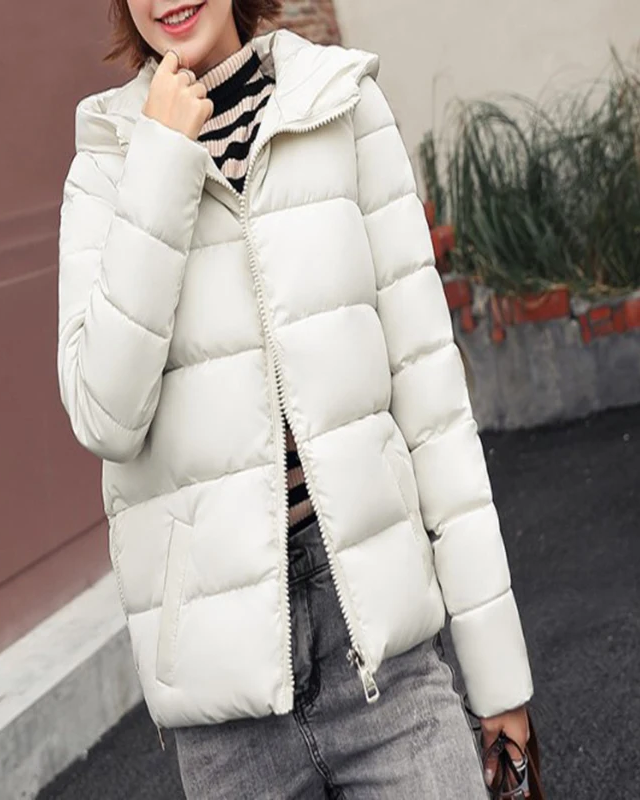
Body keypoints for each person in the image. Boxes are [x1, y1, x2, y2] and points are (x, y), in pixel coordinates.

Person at [57, 1, 534, 797]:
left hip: (382, 656)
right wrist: (161, 160)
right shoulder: (108, 165)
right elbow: (105, 415)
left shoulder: (341, 107)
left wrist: (498, 676)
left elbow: (434, 408)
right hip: (224, 700)